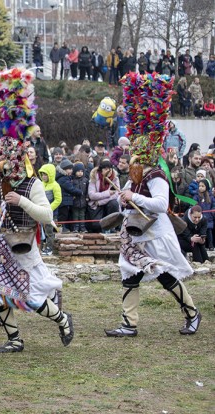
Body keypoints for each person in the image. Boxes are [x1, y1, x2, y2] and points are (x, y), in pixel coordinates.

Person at [105, 72, 201, 339]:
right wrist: (123, 195)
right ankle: (129, 323)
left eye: (136, 151)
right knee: (130, 275)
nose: (132, 155)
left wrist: (133, 198)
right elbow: (126, 197)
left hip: (154, 233)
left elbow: (160, 204)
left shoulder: (156, 175)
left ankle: (192, 313)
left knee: (164, 276)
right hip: (135, 234)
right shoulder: (135, 174)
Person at [0, 129, 73, 354]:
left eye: (6, 159)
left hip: (23, 246)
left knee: (32, 296)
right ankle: (15, 339)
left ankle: (63, 320)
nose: (1, 164)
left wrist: (22, 201)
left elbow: (47, 216)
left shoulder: (33, 184)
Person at [87, 159, 119, 232]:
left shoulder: (115, 178)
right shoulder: (94, 177)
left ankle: (112, 226)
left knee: (114, 203)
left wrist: (101, 202)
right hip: (95, 205)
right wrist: (108, 193)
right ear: (101, 170)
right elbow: (92, 195)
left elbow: (116, 194)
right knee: (96, 226)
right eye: (106, 169)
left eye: (110, 169)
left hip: (104, 203)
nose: (109, 171)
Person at [38, 163, 61, 254]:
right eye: (42, 174)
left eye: (45, 175)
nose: (43, 177)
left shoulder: (55, 185)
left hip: (51, 213)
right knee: (41, 231)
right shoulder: (41, 184)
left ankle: (50, 248)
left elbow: (58, 199)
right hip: (40, 212)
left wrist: (49, 208)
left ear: (50, 175)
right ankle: (42, 246)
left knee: (49, 231)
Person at [56, 159, 82, 232]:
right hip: (63, 201)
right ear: (64, 169)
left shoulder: (66, 177)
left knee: (65, 215)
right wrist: (80, 192)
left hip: (66, 200)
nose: (71, 171)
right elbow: (70, 188)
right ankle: (61, 228)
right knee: (62, 216)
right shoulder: (63, 179)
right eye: (69, 169)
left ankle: (64, 228)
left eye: (71, 169)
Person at [193, 180, 214, 250]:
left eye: (202, 186)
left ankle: (211, 245)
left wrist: (212, 212)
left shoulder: (210, 196)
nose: (200, 188)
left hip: (209, 217)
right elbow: (194, 204)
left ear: (206, 187)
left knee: (209, 232)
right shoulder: (196, 196)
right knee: (202, 232)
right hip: (200, 218)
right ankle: (203, 245)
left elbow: (213, 205)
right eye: (199, 186)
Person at [71, 162, 89, 232]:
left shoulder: (85, 180)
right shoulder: (72, 180)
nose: (80, 173)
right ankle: (76, 227)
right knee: (75, 215)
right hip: (75, 201)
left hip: (83, 201)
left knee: (82, 215)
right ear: (75, 171)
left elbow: (87, 189)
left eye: (82, 171)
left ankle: (82, 227)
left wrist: (87, 197)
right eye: (78, 171)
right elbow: (71, 190)